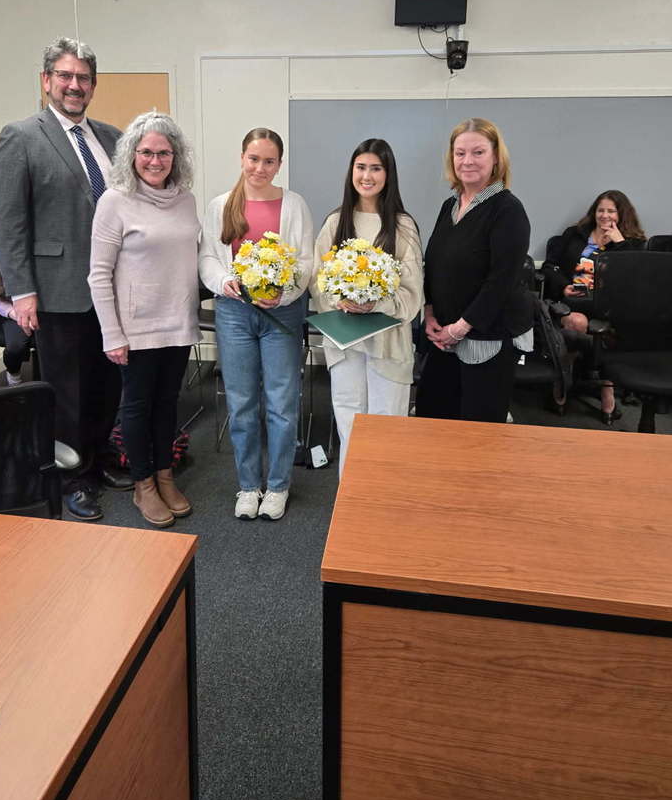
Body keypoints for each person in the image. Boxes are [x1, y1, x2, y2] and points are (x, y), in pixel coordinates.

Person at [0, 37, 126, 522]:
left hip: (110, 290)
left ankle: (99, 457)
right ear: (47, 80)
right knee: (65, 388)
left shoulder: (112, 138)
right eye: (65, 76)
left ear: (93, 85)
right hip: (57, 288)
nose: (75, 85)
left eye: (84, 78)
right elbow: (9, 223)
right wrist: (22, 291)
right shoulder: (22, 136)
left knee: (107, 383)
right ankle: (71, 476)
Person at [88, 112, 200, 528]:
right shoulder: (115, 201)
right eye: (147, 152)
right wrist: (111, 333)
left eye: (164, 153)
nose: (156, 161)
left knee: (167, 405)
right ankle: (143, 485)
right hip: (135, 330)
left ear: (176, 156)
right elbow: (98, 273)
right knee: (136, 407)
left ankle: (165, 476)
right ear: (133, 154)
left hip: (178, 322)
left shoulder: (185, 198)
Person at [199, 128, 313, 521]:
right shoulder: (220, 205)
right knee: (243, 402)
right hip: (234, 313)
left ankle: (278, 485)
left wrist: (284, 294)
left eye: (269, 161)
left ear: (279, 164)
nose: (260, 168)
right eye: (253, 159)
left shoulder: (294, 204)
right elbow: (208, 260)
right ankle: (248, 485)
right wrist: (222, 281)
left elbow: (305, 263)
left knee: (282, 403)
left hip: (280, 312)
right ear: (241, 158)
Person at [310, 138, 423, 477]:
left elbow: (413, 294)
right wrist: (340, 298)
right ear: (351, 172)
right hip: (345, 345)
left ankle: (382, 508)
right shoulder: (334, 223)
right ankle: (351, 505)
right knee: (350, 422)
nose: (367, 175)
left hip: (388, 347)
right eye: (361, 167)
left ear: (388, 175)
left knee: (385, 427)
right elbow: (318, 282)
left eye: (376, 168)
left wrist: (377, 302)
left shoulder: (402, 226)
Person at [415, 117, 532, 423]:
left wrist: (461, 328)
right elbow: (436, 265)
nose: (467, 161)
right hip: (443, 336)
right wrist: (429, 313)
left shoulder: (507, 210)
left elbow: (501, 281)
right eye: (460, 153)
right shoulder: (449, 207)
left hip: (486, 339)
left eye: (478, 152)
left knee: (478, 434)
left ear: (496, 158)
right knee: (433, 417)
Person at [541, 189, 646, 422]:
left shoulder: (634, 244)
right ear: (594, 212)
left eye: (611, 210)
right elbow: (549, 266)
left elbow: (635, 278)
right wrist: (563, 287)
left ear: (622, 214)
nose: (605, 215)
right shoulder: (575, 234)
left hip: (610, 307)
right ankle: (569, 378)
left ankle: (600, 385)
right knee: (576, 321)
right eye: (601, 210)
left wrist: (619, 244)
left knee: (591, 327)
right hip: (572, 300)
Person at [0, 255, 31, 386]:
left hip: (44, 311)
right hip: (14, 313)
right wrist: (17, 315)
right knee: (15, 347)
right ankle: (14, 376)